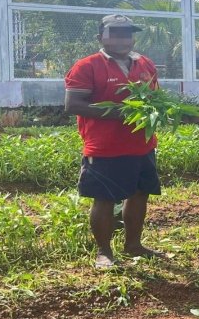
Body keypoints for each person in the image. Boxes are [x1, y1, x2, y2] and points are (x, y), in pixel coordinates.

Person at [64, 14, 162, 269]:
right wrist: (119, 112)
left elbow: (155, 97)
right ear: (101, 37)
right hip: (105, 146)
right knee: (104, 198)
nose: (122, 39)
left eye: (127, 33)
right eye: (115, 33)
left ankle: (133, 245)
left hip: (142, 144)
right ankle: (104, 252)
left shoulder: (145, 64)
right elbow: (73, 104)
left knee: (139, 194)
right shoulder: (87, 66)